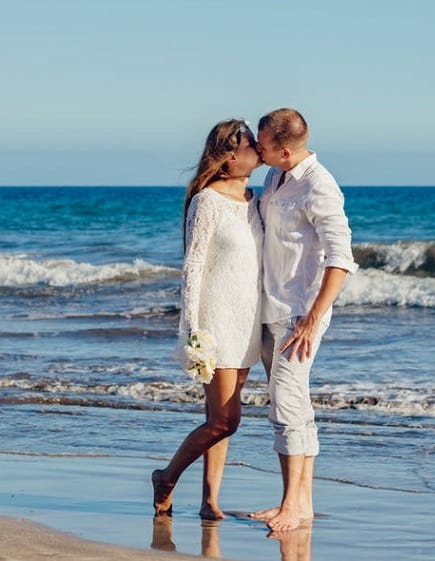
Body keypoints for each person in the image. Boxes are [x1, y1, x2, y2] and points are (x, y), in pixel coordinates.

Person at [250, 108, 357, 531]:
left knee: (287, 404)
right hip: (270, 306)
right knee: (291, 406)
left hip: (299, 313)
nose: (257, 150)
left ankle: (293, 505)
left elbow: (341, 258)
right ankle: (299, 502)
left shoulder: (319, 185)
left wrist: (313, 319)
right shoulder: (274, 177)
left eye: (263, 145)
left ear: (286, 150)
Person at [152, 119, 264, 520]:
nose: (260, 147)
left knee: (219, 419)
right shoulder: (207, 201)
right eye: (253, 143)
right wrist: (191, 330)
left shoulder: (257, 199)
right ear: (231, 155)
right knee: (226, 420)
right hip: (215, 321)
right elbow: (193, 267)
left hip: (249, 319)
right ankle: (166, 477)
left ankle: (209, 501)